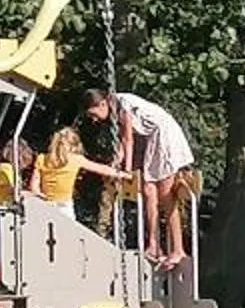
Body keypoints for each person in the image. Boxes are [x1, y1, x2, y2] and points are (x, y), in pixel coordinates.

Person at [84, 87, 200, 267]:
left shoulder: (122, 105)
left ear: (102, 103)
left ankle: (178, 249)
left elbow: (129, 140)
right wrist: (118, 162)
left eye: (93, 113)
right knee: (148, 191)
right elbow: (123, 143)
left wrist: (128, 171)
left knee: (166, 196)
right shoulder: (116, 107)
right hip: (153, 138)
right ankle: (154, 244)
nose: (93, 120)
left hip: (164, 136)